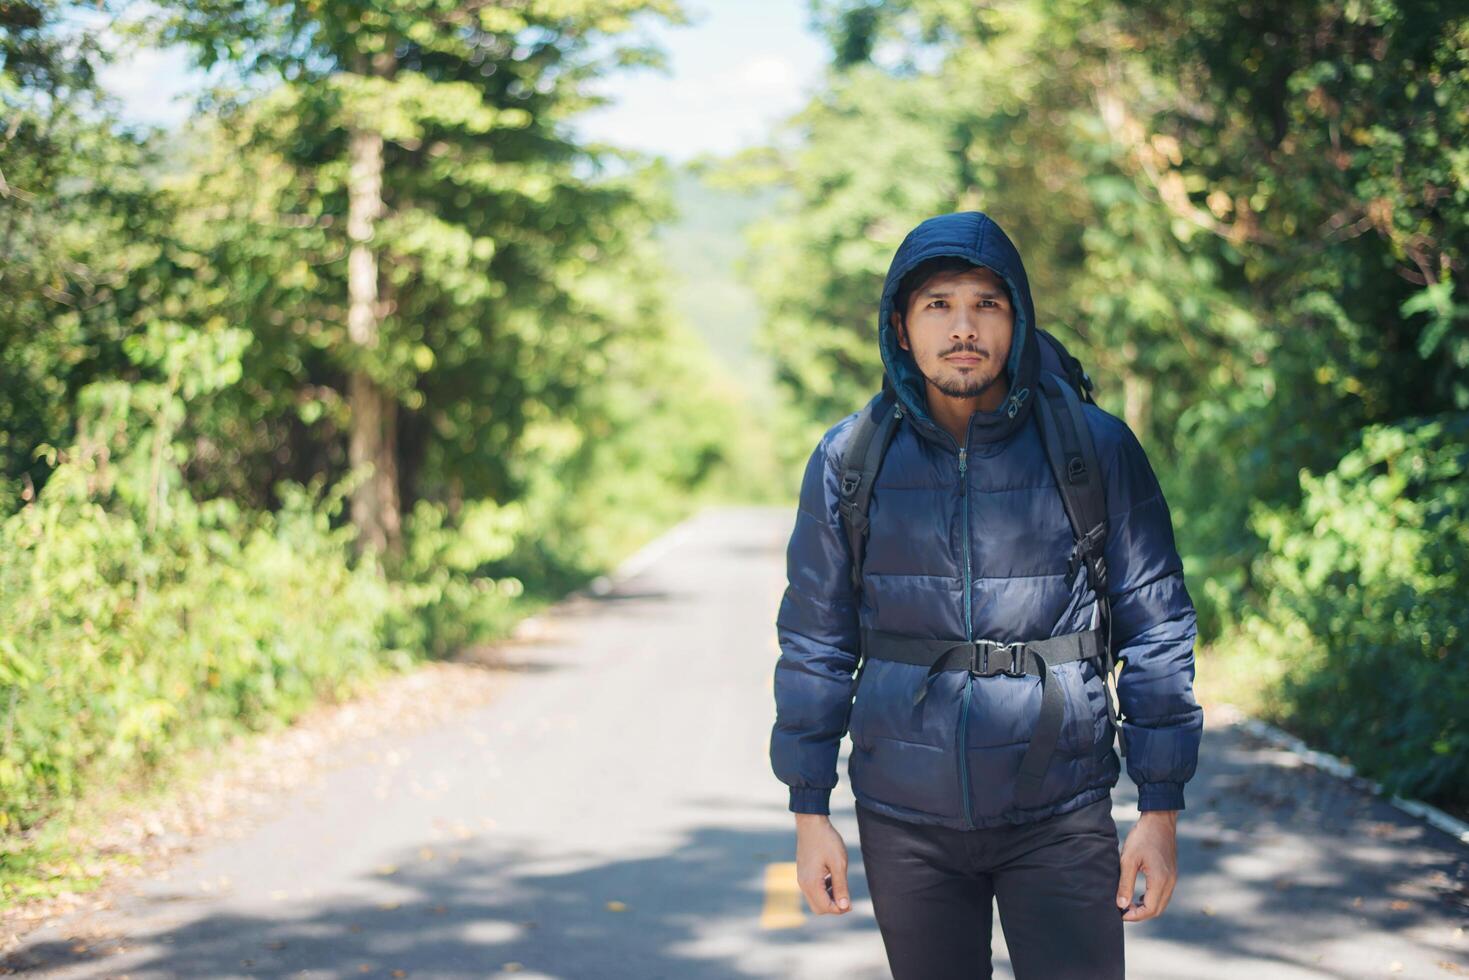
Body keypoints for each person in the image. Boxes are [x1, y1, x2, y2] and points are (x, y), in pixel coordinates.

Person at [769, 210, 1204, 979]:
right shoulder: (848, 460)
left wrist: (1159, 810)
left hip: (1062, 808)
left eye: (986, 304)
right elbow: (814, 640)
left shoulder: (1095, 449)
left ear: (1018, 319)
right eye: (937, 304)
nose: (962, 327)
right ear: (899, 328)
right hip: (904, 819)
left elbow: (1156, 626)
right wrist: (810, 811)